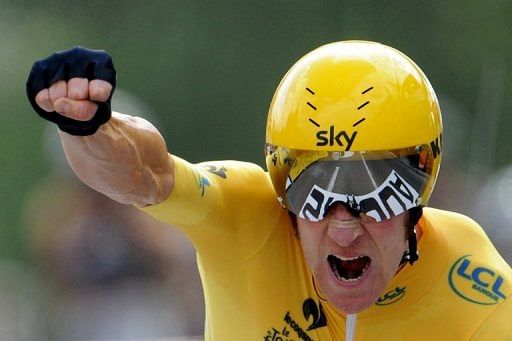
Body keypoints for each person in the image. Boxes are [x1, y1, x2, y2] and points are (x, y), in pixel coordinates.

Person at [26, 41, 511, 340]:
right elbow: (143, 174)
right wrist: (90, 128)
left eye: (375, 197)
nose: (344, 231)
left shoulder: (476, 290)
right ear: (281, 187)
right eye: (314, 195)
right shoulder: (246, 214)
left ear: (419, 192)